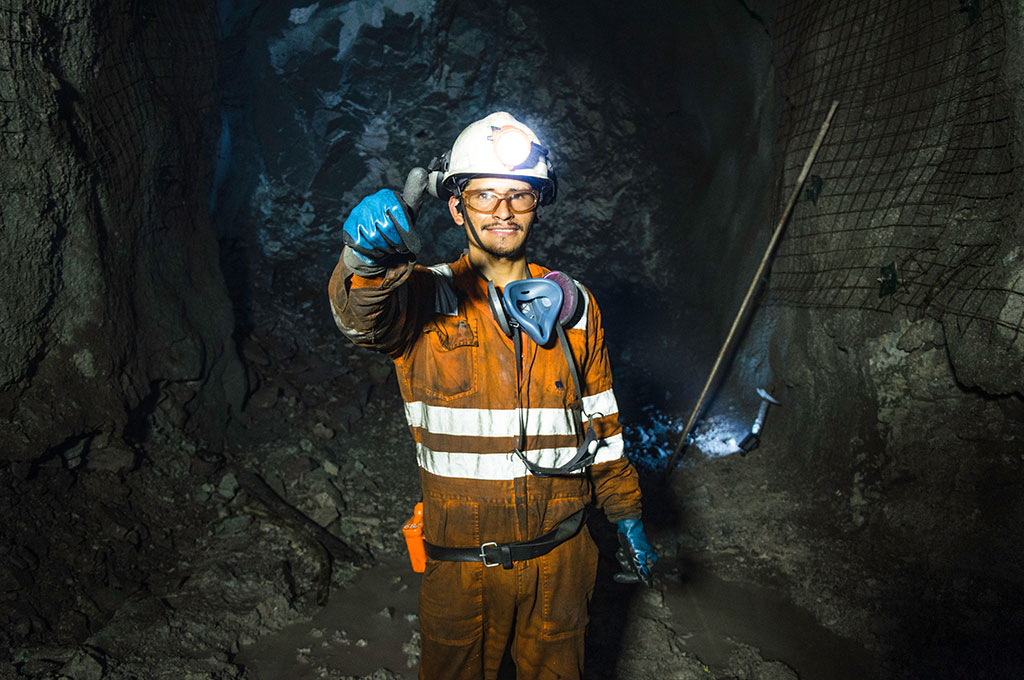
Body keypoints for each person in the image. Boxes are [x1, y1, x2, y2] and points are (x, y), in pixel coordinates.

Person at [328, 111, 656, 680]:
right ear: (456, 207)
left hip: (563, 560)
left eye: (519, 196)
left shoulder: (576, 305)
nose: (503, 211)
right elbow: (359, 318)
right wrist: (364, 261)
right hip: (463, 569)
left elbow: (602, 421)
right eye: (483, 196)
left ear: (539, 203)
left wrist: (626, 511)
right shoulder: (424, 294)